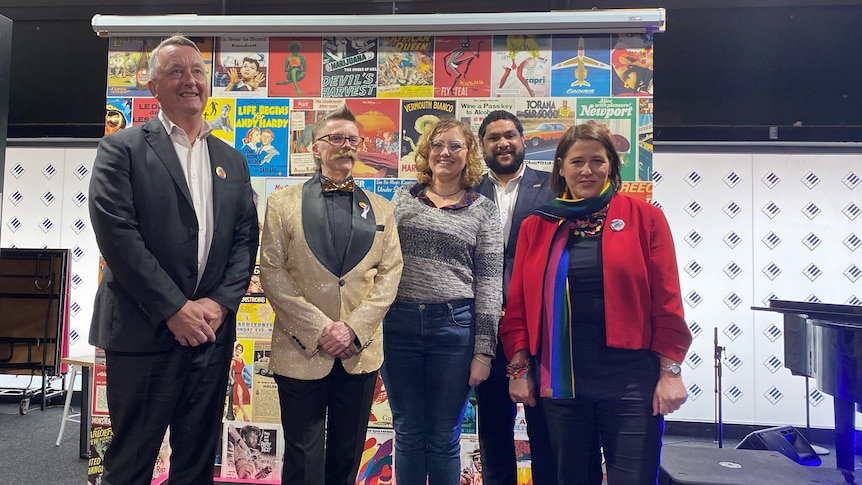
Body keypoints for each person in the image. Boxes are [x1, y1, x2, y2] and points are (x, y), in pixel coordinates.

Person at [88, 34, 259, 485]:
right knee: (130, 463)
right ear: (153, 87)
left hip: (210, 336)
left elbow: (245, 242)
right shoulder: (120, 149)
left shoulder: (232, 161)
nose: (190, 81)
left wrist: (219, 306)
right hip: (143, 332)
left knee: (197, 463)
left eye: (197, 72)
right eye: (176, 72)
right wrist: (173, 309)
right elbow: (118, 237)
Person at [499, 123, 691, 485]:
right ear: (561, 167)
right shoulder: (537, 226)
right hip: (561, 378)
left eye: (597, 161)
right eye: (576, 161)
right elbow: (520, 306)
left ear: (611, 167)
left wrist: (671, 372)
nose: (586, 170)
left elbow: (667, 300)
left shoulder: (645, 218)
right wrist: (519, 368)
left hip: (631, 379)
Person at [259, 105, 403, 485]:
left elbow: (391, 274)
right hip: (300, 348)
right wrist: (322, 328)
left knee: (347, 454)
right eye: (335, 138)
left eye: (352, 140)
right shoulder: (282, 203)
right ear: (316, 148)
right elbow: (272, 271)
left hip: (360, 350)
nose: (345, 146)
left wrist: (353, 329)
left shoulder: (384, 209)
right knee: (303, 458)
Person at [382, 118, 503, 485]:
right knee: (407, 431)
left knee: (443, 435)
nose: (445, 153)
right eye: (437, 145)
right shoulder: (403, 198)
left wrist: (484, 351)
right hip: (398, 325)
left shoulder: (483, 209)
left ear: (469, 155)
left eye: (455, 146)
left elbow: (490, 281)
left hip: (455, 328)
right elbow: (382, 262)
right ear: (426, 152)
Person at [474, 110, 556, 485]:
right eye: (493, 137)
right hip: (487, 327)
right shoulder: (469, 192)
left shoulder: (554, 186)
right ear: (483, 146)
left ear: (523, 139)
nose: (502, 143)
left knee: (545, 427)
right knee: (492, 428)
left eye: (510, 135)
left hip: (540, 326)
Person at [230, 342, 252, 421]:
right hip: (237, 379)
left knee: (245, 395)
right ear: (235, 350)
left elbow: (245, 367)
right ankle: (245, 416)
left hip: (241, 378)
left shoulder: (242, 359)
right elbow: (229, 371)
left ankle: (237, 409)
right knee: (240, 398)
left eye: (240, 350)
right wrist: (232, 379)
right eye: (237, 349)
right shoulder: (233, 359)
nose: (238, 351)